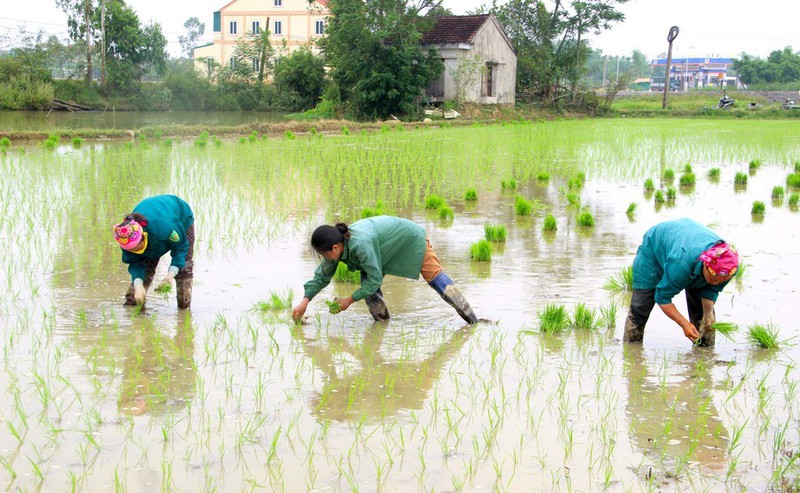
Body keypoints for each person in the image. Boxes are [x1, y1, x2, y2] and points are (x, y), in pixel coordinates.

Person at [292, 215, 478, 324]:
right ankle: (382, 326)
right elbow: (322, 276)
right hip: (381, 250)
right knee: (369, 288)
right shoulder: (337, 248)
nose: (325, 260)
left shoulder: (360, 244)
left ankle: (472, 320)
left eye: (324, 255)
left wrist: (348, 300)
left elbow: (374, 280)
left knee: (435, 278)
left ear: (334, 247)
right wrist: (305, 301)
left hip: (409, 239)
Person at [624, 218, 739, 347]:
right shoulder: (680, 264)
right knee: (641, 306)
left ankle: (704, 354)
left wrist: (708, 313)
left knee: (705, 319)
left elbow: (711, 290)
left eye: (721, 281)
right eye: (713, 278)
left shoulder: (729, 267)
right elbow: (662, 297)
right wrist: (684, 323)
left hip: (688, 249)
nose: (716, 282)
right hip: (655, 249)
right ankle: (631, 351)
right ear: (705, 265)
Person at [114, 195, 195, 309]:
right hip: (154, 223)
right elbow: (135, 263)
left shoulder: (163, 227)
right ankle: (133, 311)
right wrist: (138, 285)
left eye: (136, 248)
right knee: (145, 272)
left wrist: (170, 275)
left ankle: (183, 310)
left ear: (143, 236)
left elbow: (180, 248)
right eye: (131, 250)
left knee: (183, 268)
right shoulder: (125, 238)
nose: (134, 251)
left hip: (180, 218)